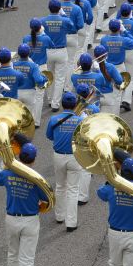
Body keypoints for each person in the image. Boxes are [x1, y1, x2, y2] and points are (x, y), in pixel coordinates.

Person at [0, 143, 49, 266]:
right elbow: (47, 199)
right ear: (34, 160)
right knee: (26, 260)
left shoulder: (9, 172)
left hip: (11, 218)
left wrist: (6, 165)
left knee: (12, 255)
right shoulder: (37, 178)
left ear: (19, 157)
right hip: (30, 220)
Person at [46, 92, 84, 232]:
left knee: (60, 186)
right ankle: (71, 222)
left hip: (58, 156)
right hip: (75, 157)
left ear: (62, 104)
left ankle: (59, 216)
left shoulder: (54, 119)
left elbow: (49, 136)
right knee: (73, 189)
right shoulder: (80, 120)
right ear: (75, 105)